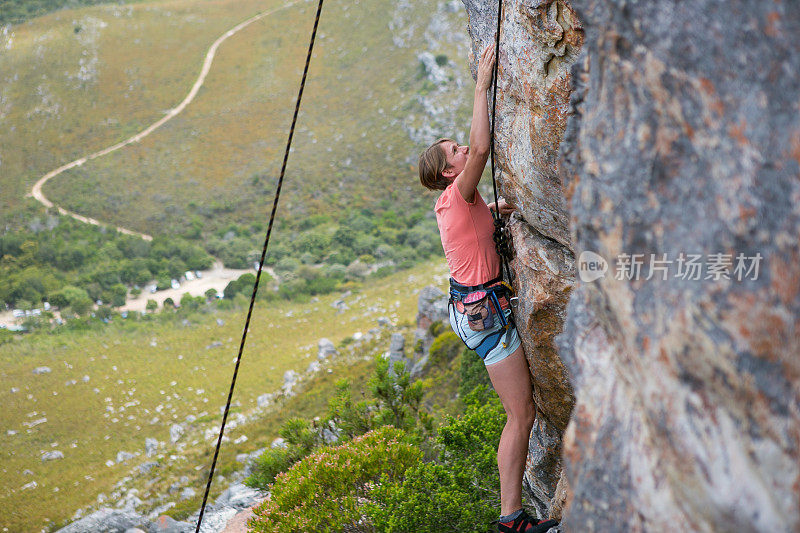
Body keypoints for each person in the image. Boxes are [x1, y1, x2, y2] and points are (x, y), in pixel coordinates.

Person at [417, 44, 558, 533]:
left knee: (524, 414)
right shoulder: (458, 195)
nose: (463, 151)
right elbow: (483, 149)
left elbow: (475, 221)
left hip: (474, 308)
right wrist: (482, 83)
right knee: (521, 415)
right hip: (486, 316)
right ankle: (510, 519)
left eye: (457, 147)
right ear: (448, 173)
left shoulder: (460, 203)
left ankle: (512, 516)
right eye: (453, 152)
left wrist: (497, 212)